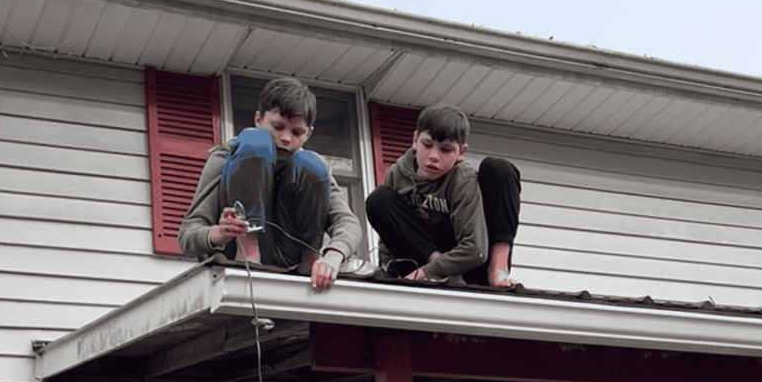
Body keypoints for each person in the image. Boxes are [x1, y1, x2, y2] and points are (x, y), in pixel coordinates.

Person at [178, 77, 362, 292]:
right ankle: (249, 252)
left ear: (308, 133)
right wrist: (219, 233)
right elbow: (187, 234)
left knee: (312, 162)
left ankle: (310, 262)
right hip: (236, 257)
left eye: (297, 132)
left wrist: (333, 256)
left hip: (292, 260)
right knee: (254, 142)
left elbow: (348, 223)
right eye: (278, 126)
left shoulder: (315, 169)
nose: (285, 138)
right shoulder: (225, 155)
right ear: (258, 118)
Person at [365, 104, 520, 288]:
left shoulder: (462, 178)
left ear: (460, 153)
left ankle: (498, 268)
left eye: (445, 150)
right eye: (427, 145)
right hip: (422, 260)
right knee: (378, 199)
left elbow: (475, 250)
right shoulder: (397, 174)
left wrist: (430, 271)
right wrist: (388, 270)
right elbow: (388, 232)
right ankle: (436, 271)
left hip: (469, 265)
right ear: (415, 140)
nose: (434, 156)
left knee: (499, 169)